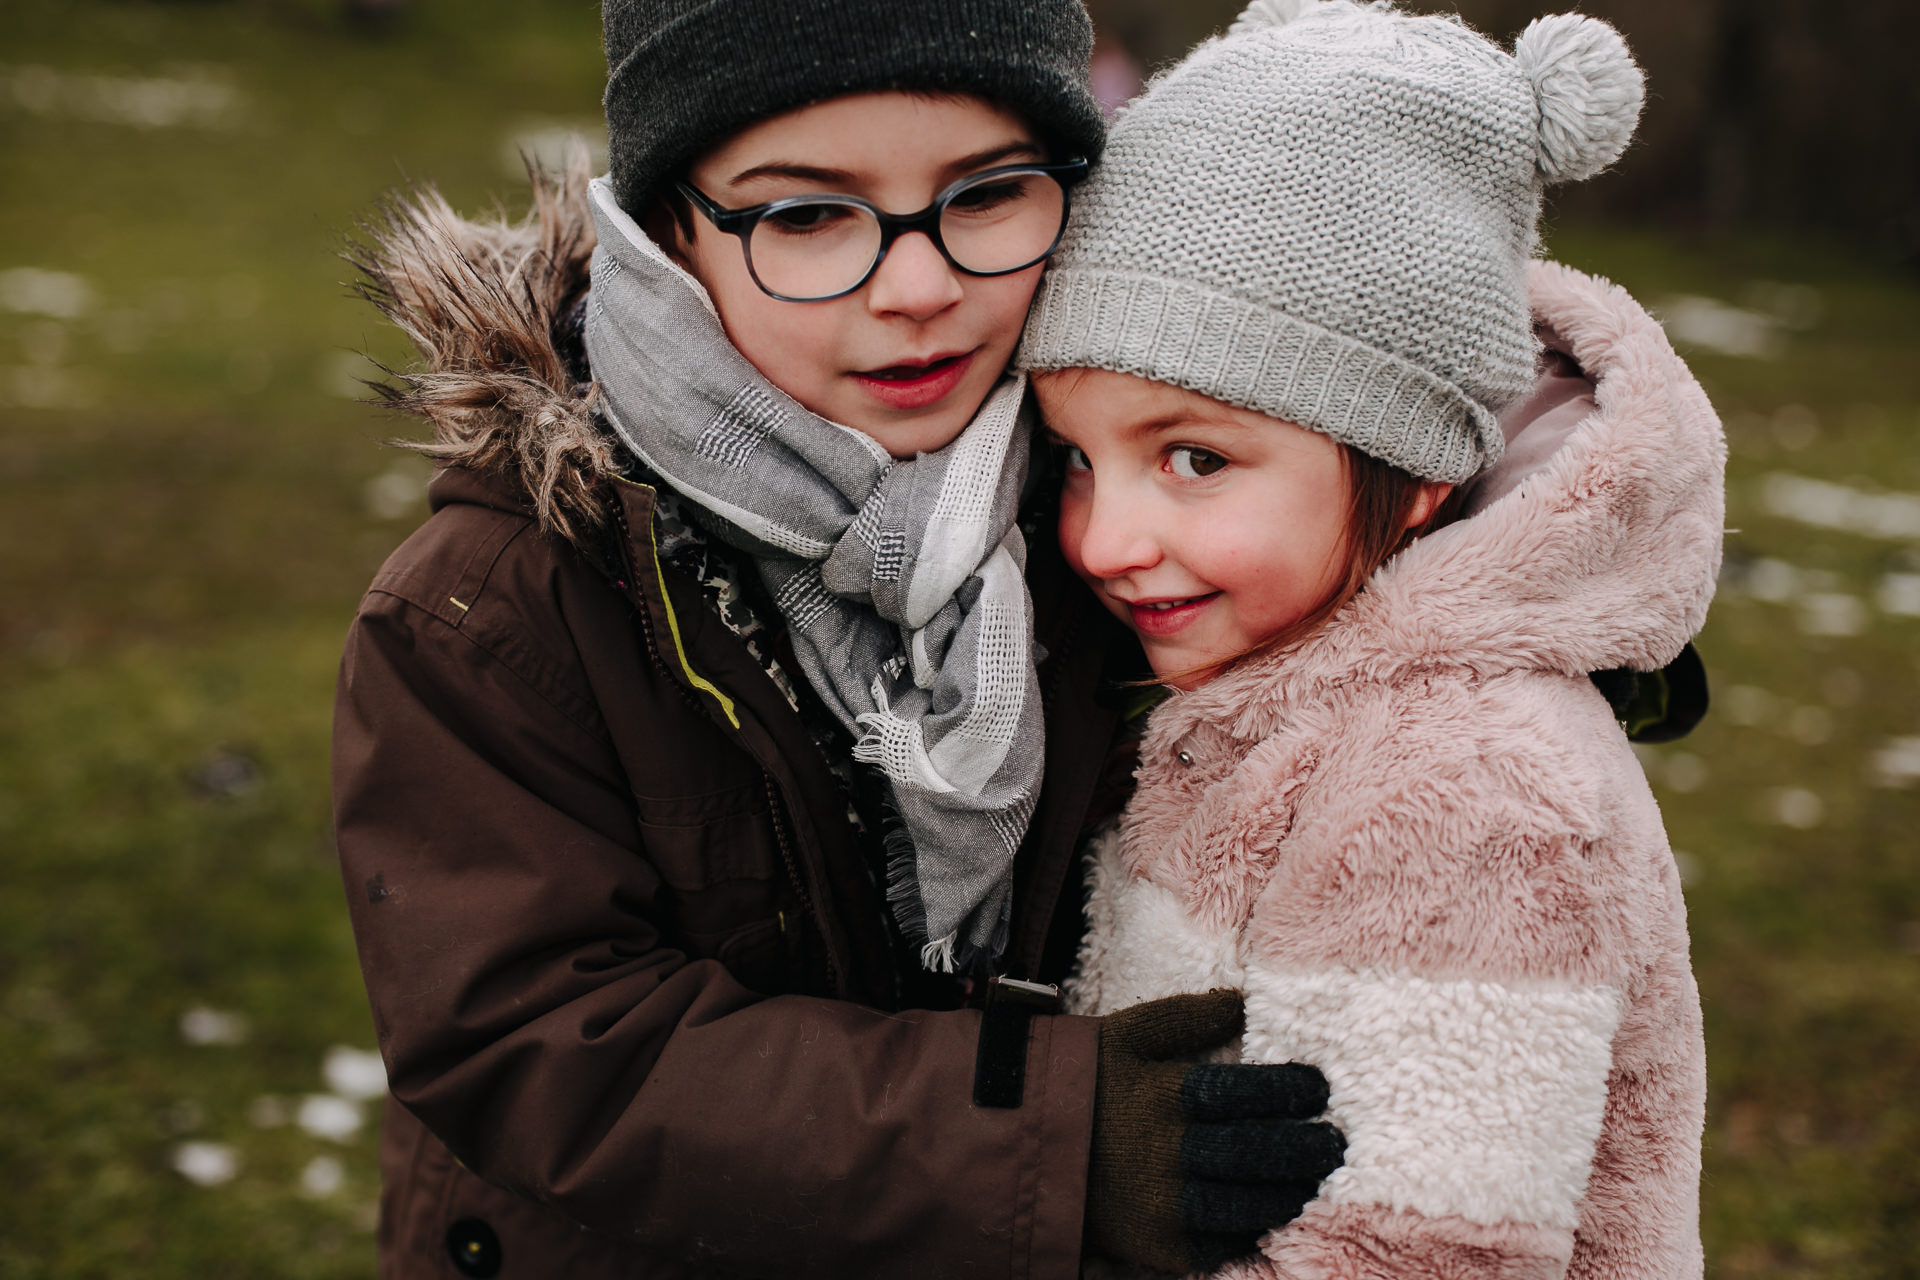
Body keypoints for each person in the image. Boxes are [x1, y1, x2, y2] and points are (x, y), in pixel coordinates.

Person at [333, 1, 1362, 1275]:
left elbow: (1370, 430)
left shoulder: (1102, 500)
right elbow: (539, 1040)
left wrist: (1526, 610)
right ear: (671, 230)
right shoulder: (494, 606)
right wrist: (1043, 1140)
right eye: (806, 215)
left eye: (988, 194)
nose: (919, 287)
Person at [1022, 1, 1716, 1275]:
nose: (1104, 536)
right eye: (1075, 455)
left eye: (1193, 456)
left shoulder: (1466, 791)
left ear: (1421, 463)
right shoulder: (1274, 678)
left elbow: (1419, 1251)